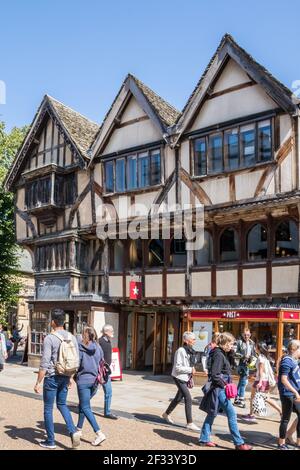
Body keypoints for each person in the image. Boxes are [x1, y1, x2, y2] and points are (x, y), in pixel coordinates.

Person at [34, 309, 81, 449]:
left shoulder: (50, 338)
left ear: (53, 322)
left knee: (48, 409)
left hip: (52, 376)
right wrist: (71, 377)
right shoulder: (72, 337)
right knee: (62, 404)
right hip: (66, 375)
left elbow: (45, 362)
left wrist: (38, 382)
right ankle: (73, 431)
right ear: (64, 322)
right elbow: (76, 360)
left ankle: (50, 441)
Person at [199, 332, 252, 450]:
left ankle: (204, 438)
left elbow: (231, 367)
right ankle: (239, 443)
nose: (232, 346)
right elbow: (215, 375)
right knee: (232, 414)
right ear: (225, 343)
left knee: (212, 414)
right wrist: (225, 385)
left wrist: (232, 353)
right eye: (231, 343)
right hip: (219, 389)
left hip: (219, 388)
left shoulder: (222, 353)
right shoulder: (218, 354)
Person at [162, 331, 200, 431]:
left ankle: (166, 414)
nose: (195, 341)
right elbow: (177, 367)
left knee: (178, 398)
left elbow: (191, 362)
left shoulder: (190, 350)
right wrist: (190, 369)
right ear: (186, 341)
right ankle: (190, 423)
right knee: (188, 398)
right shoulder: (181, 351)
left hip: (185, 377)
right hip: (178, 377)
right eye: (193, 339)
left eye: (195, 339)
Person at [75, 326, 106, 446]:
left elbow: (78, 364)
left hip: (83, 380)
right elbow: (102, 362)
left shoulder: (81, 348)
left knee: (85, 406)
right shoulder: (98, 347)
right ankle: (79, 428)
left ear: (85, 335)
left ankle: (99, 433)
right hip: (95, 381)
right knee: (83, 405)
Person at [243, 341, 281, 423]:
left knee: (261, 398)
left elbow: (261, 371)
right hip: (264, 380)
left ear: (259, 348)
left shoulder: (260, 358)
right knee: (259, 397)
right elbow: (260, 370)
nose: (254, 348)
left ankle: (252, 415)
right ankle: (251, 414)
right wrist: (252, 375)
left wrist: (259, 382)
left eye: (256, 347)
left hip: (261, 381)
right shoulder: (264, 357)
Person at [277, 339, 300, 450]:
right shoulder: (287, 360)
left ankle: (297, 441)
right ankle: (281, 442)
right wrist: (295, 392)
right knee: (286, 418)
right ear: (295, 349)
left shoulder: (294, 360)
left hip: (295, 393)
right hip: (287, 394)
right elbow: (283, 379)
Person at [99, 324, 118, 419]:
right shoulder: (101, 342)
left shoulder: (107, 341)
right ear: (106, 332)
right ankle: (83, 404)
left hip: (106, 371)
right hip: (100, 370)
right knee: (93, 391)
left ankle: (107, 412)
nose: (113, 332)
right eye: (111, 331)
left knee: (108, 392)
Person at [234, 328, 256, 408]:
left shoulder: (252, 343)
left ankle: (237, 398)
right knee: (243, 382)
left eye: (248, 335)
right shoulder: (239, 342)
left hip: (248, 365)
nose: (246, 336)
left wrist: (253, 365)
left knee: (241, 382)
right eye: (245, 335)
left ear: (250, 334)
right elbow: (235, 353)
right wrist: (243, 356)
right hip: (241, 364)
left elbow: (253, 353)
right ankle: (241, 400)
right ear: (242, 335)